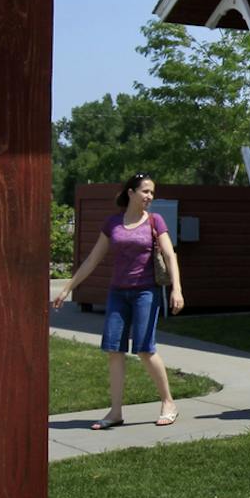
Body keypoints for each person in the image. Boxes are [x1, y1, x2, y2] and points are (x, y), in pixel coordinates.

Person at [52, 173, 185, 429]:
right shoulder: (113, 223)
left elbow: (170, 256)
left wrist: (176, 290)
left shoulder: (155, 221)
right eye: (145, 191)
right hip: (117, 294)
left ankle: (168, 402)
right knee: (115, 351)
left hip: (146, 292)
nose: (149, 197)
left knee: (145, 349)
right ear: (130, 193)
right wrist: (67, 288)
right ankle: (115, 412)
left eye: (152, 193)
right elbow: (92, 259)